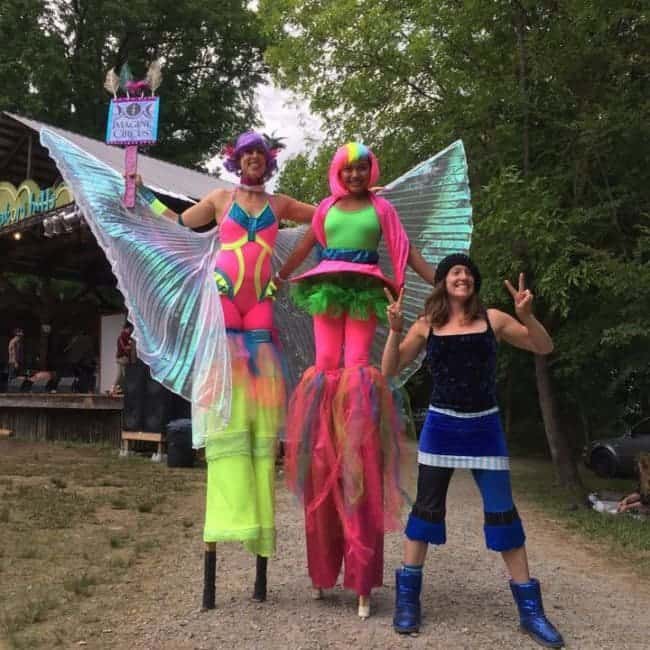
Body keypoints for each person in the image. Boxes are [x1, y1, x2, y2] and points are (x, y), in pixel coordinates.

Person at [137, 131, 315, 608]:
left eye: (260, 155)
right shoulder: (219, 198)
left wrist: (355, 199)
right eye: (247, 155)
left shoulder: (281, 203)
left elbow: (326, 219)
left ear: (268, 162)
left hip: (260, 302)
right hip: (223, 297)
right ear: (237, 162)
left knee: (259, 388)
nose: (253, 161)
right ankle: (222, 438)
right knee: (224, 383)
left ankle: (259, 446)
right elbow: (178, 222)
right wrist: (142, 194)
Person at [277, 142, 436, 619]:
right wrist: (274, 278)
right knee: (325, 368)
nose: (355, 175)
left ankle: (355, 433)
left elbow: (404, 251)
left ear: (371, 171)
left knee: (357, 372)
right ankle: (324, 438)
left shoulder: (381, 207)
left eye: (362, 168)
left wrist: (442, 280)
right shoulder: (325, 208)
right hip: (327, 281)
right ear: (337, 172)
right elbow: (304, 247)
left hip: (366, 283)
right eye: (348, 169)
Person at [381, 254, 564, 648]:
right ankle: (408, 602)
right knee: (425, 512)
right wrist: (394, 331)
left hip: (485, 428)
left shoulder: (494, 319)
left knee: (503, 515)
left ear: (474, 282)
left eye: (467, 272)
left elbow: (543, 346)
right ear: (443, 282)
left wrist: (527, 315)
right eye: (453, 272)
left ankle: (532, 613)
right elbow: (388, 370)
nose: (461, 276)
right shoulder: (426, 324)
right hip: (441, 427)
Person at [112, 322, 134, 394]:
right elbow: (125, 348)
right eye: (130, 329)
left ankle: (115, 389)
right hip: (123, 358)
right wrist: (130, 346)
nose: (130, 330)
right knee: (125, 375)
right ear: (127, 328)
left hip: (120, 357)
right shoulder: (124, 337)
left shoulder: (123, 336)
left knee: (121, 374)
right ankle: (125, 390)